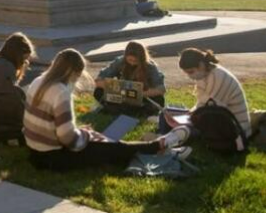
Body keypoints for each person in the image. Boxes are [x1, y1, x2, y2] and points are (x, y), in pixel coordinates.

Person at [23, 49, 189, 171]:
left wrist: (80, 132)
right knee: (113, 148)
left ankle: (161, 149)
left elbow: (55, 127)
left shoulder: (39, 81)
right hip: (53, 158)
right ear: (73, 72)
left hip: (34, 151)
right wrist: (86, 136)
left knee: (104, 144)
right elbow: (69, 140)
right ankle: (160, 145)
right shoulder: (60, 92)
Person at [168, 48, 251, 138]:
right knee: (167, 113)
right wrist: (190, 113)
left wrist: (190, 118)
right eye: (187, 73)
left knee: (183, 126)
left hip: (235, 129)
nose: (190, 76)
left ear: (201, 65)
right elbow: (201, 104)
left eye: (191, 72)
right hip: (215, 119)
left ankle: (169, 138)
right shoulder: (203, 76)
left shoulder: (218, 77)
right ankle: (171, 135)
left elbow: (210, 109)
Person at [94, 41, 166, 115]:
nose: (132, 63)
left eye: (135, 61)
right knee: (98, 91)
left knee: (159, 100)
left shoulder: (150, 66)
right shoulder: (120, 62)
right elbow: (99, 80)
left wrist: (140, 94)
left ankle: (118, 110)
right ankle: (131, 110)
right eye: (130, 60)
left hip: (143, 96)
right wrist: (115, 88)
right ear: (125, 57)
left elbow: (161, 89)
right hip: (121, 96)